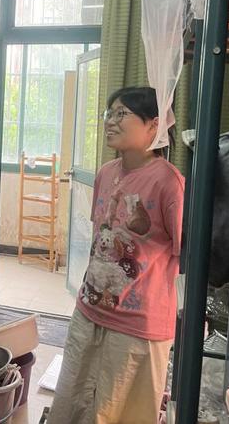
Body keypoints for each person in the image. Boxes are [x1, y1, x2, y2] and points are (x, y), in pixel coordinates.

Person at [49, 87, 185, 424]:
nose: (110, 121)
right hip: (89, 310)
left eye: (121, 113)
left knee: (121, 414)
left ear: (154, 125)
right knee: (70, 404)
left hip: (138, 326)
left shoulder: (169, 183)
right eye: (109, 113)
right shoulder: (106, 173)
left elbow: (185, 254)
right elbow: (101, 239)